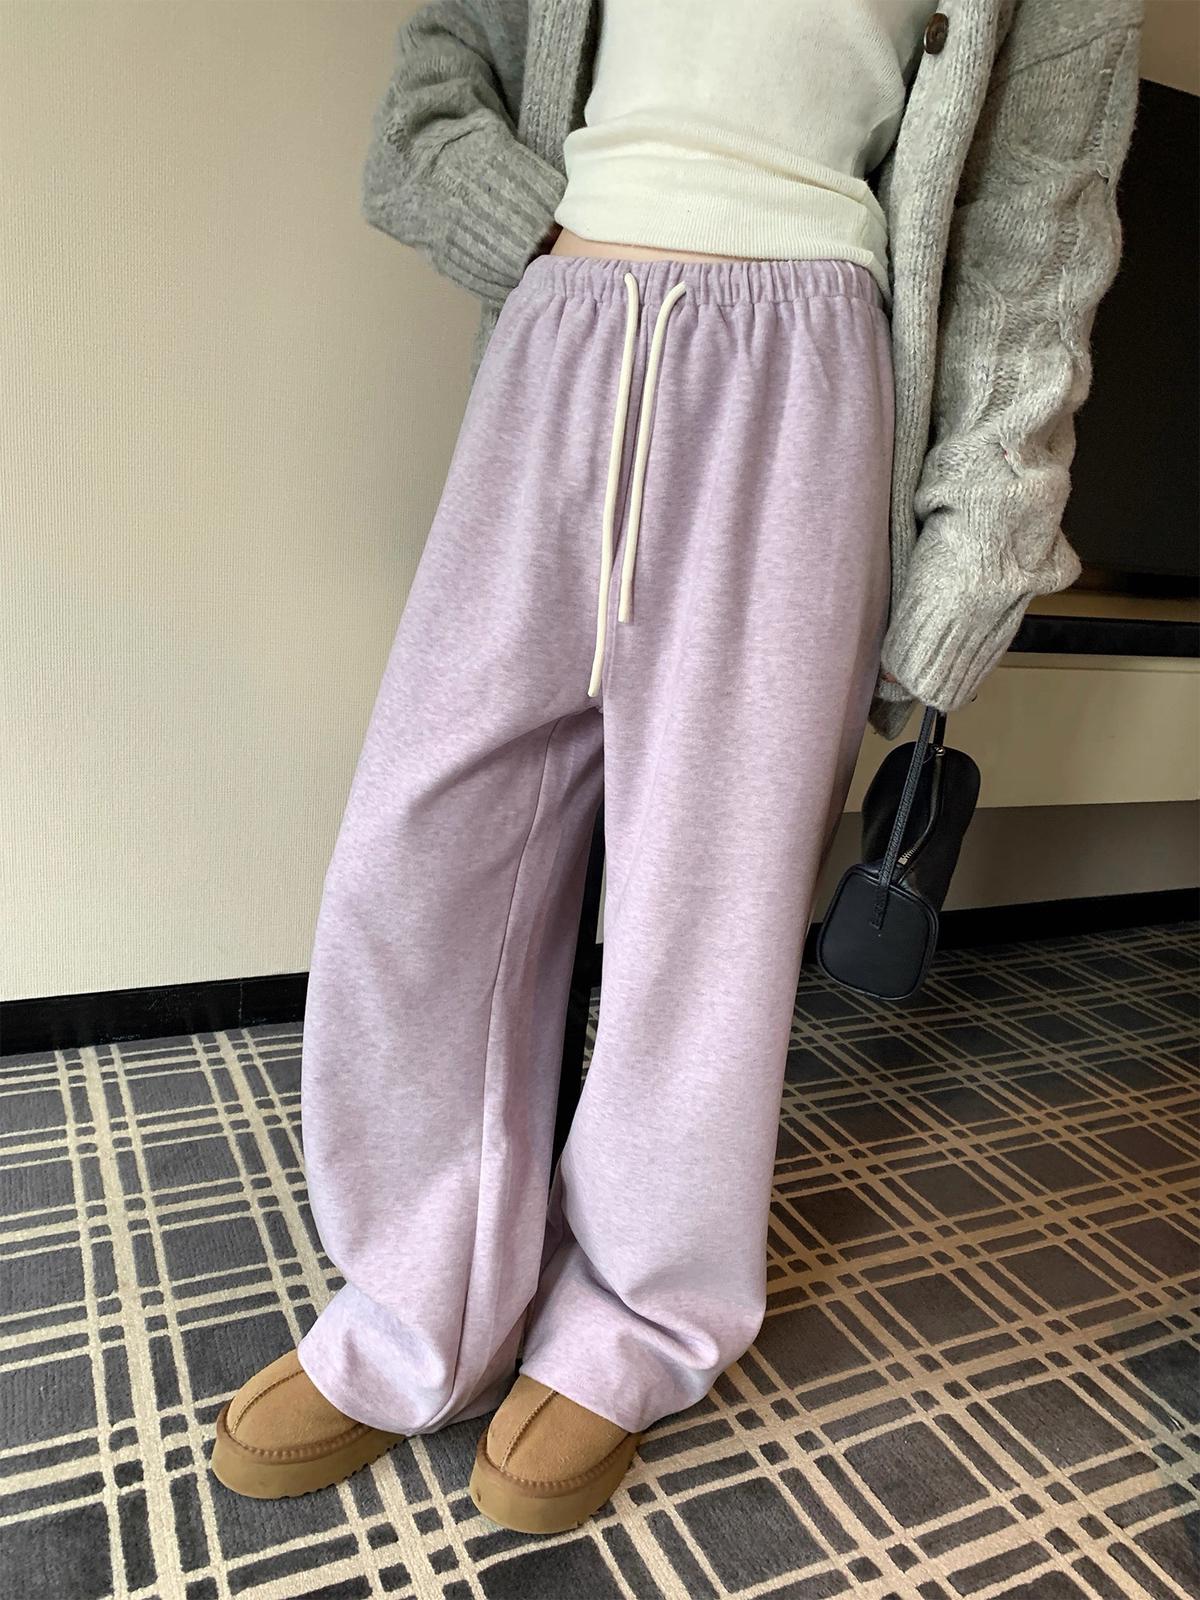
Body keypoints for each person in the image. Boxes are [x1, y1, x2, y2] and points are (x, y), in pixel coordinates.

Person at [209, 0, 1143, 1533]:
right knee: (421, 858)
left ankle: (636, 1319)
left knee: (705, 907)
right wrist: (530, 226)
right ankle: (420, 1294)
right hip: (558, 335)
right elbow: (444, 67)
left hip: (808, 369)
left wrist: (979, 540)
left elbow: (1039, 213)